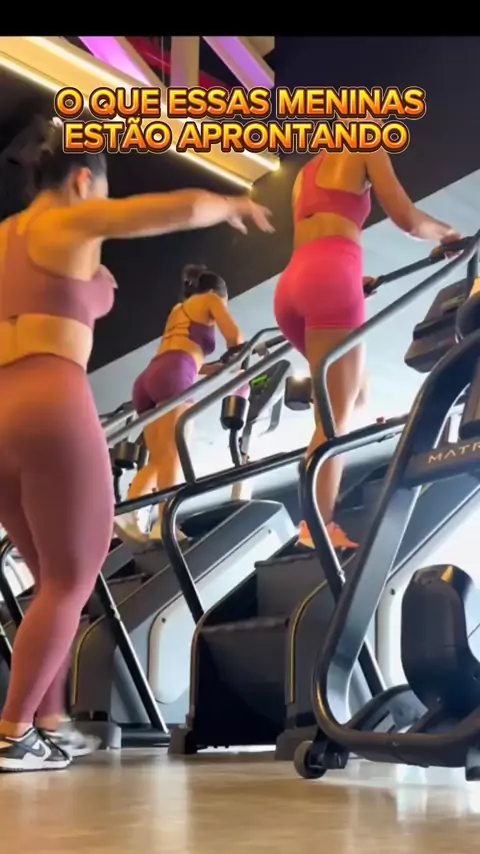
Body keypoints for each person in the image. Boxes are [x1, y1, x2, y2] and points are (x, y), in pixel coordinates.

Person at [0, 119, 273, 772]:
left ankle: (49, 721)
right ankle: (13, 733)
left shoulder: (7, 235)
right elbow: (163, 211)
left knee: (52, 580)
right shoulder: (67, 219)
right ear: (83, 181)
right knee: (74, 574)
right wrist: (227, 203)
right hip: (50, 398)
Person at [274, 137, 461, 551]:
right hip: (330, 278)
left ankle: (317, 509)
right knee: (336, 416)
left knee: (355, 400)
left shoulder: (305, 172)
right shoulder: (366, 144)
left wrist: (345, 283)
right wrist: (449, 234)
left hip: (294, 284)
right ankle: (317, 528)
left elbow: (317, 233)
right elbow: (406, 219)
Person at [115, 263, 244, 542]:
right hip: (174, 373)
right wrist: (239, 359)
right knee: (174, 455)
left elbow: (181, 355)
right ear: (217, 293)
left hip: (150, 377)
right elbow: (235, 337)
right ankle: (165, 524)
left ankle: (129, 513)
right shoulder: (211, 299)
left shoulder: (178, 309)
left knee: (160, 459)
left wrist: (216, 368)